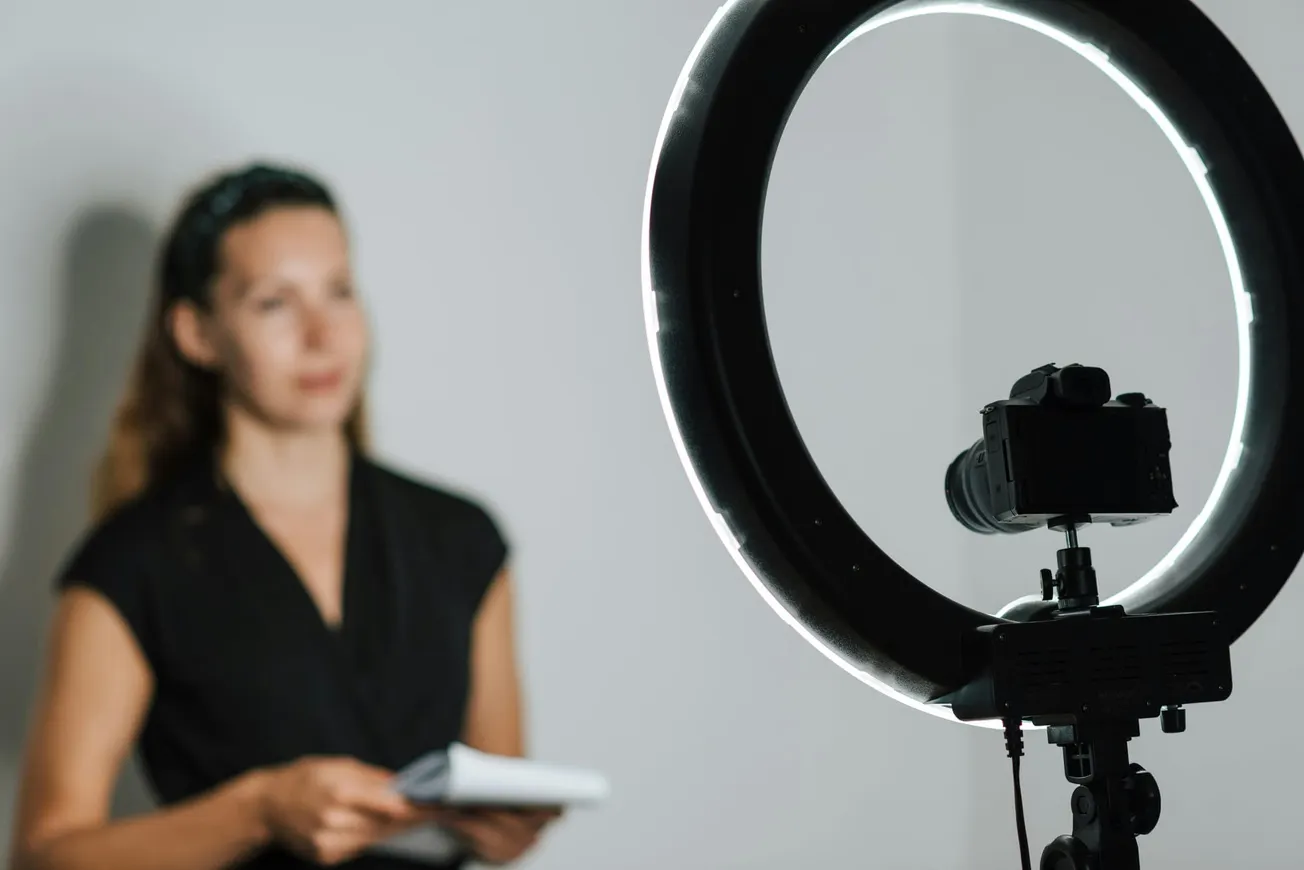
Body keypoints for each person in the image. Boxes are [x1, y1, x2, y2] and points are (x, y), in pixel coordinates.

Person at [8, 163, 560, 870]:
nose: (322, 335)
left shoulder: (462, 539)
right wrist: (258, 809)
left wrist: (506, 832)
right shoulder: (129, 567)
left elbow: (499, 796)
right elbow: (43, 855)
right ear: (197, 334)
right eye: (275, 303)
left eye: (339, 292)